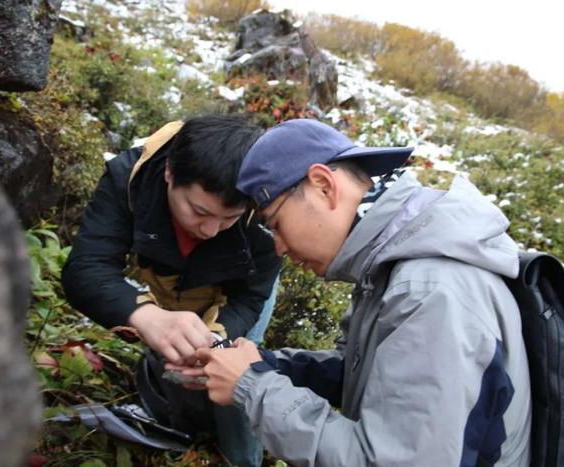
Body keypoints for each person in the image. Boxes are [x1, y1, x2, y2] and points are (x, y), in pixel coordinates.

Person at [186, 118, 532, 466]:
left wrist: (252, 387)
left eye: (276, 224)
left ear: (323, 186)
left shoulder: (431, 292)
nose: (278, 247)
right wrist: (267, 365)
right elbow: (366, 374)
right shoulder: (395, 262)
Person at [61, 114, 282, 467]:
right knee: (174, 363)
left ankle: (241, 458)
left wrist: (216, 337)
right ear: (169, 173)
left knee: (233, 380)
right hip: (167, 288)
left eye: (228, 219)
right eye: (198, 211)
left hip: (231, 293)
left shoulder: (265, 213)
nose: (210, 230)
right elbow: (86, 267)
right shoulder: (131, 179)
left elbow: (250, 297)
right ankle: (181, 432)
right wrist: (147, 317)